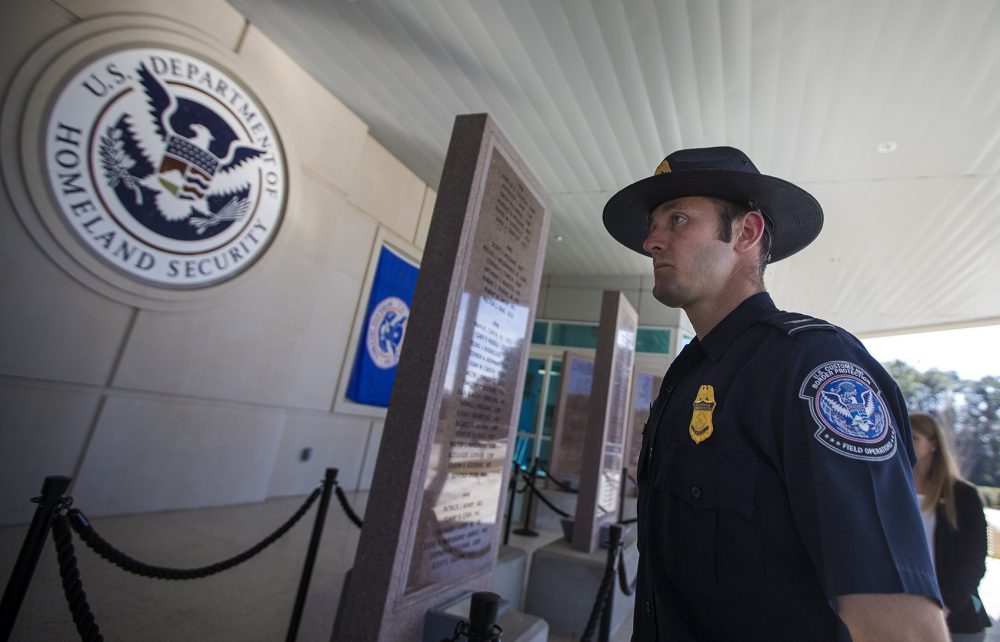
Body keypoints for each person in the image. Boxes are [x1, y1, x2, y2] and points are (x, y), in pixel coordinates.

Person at [602, 146, 948, 641]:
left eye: (677, 219)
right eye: (652, 226)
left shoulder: (813, 367)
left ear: (746, 232)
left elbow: (902, 625)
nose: (652, 241)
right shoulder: (687, 375)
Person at [910, 411, 993, 641]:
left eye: (914, 437)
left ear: (933, 444)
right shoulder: (894, 491)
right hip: (904, 613)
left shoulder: (963, 496)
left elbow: (974, 562)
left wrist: (945, 607)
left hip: (956, 620)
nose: (905, 442)